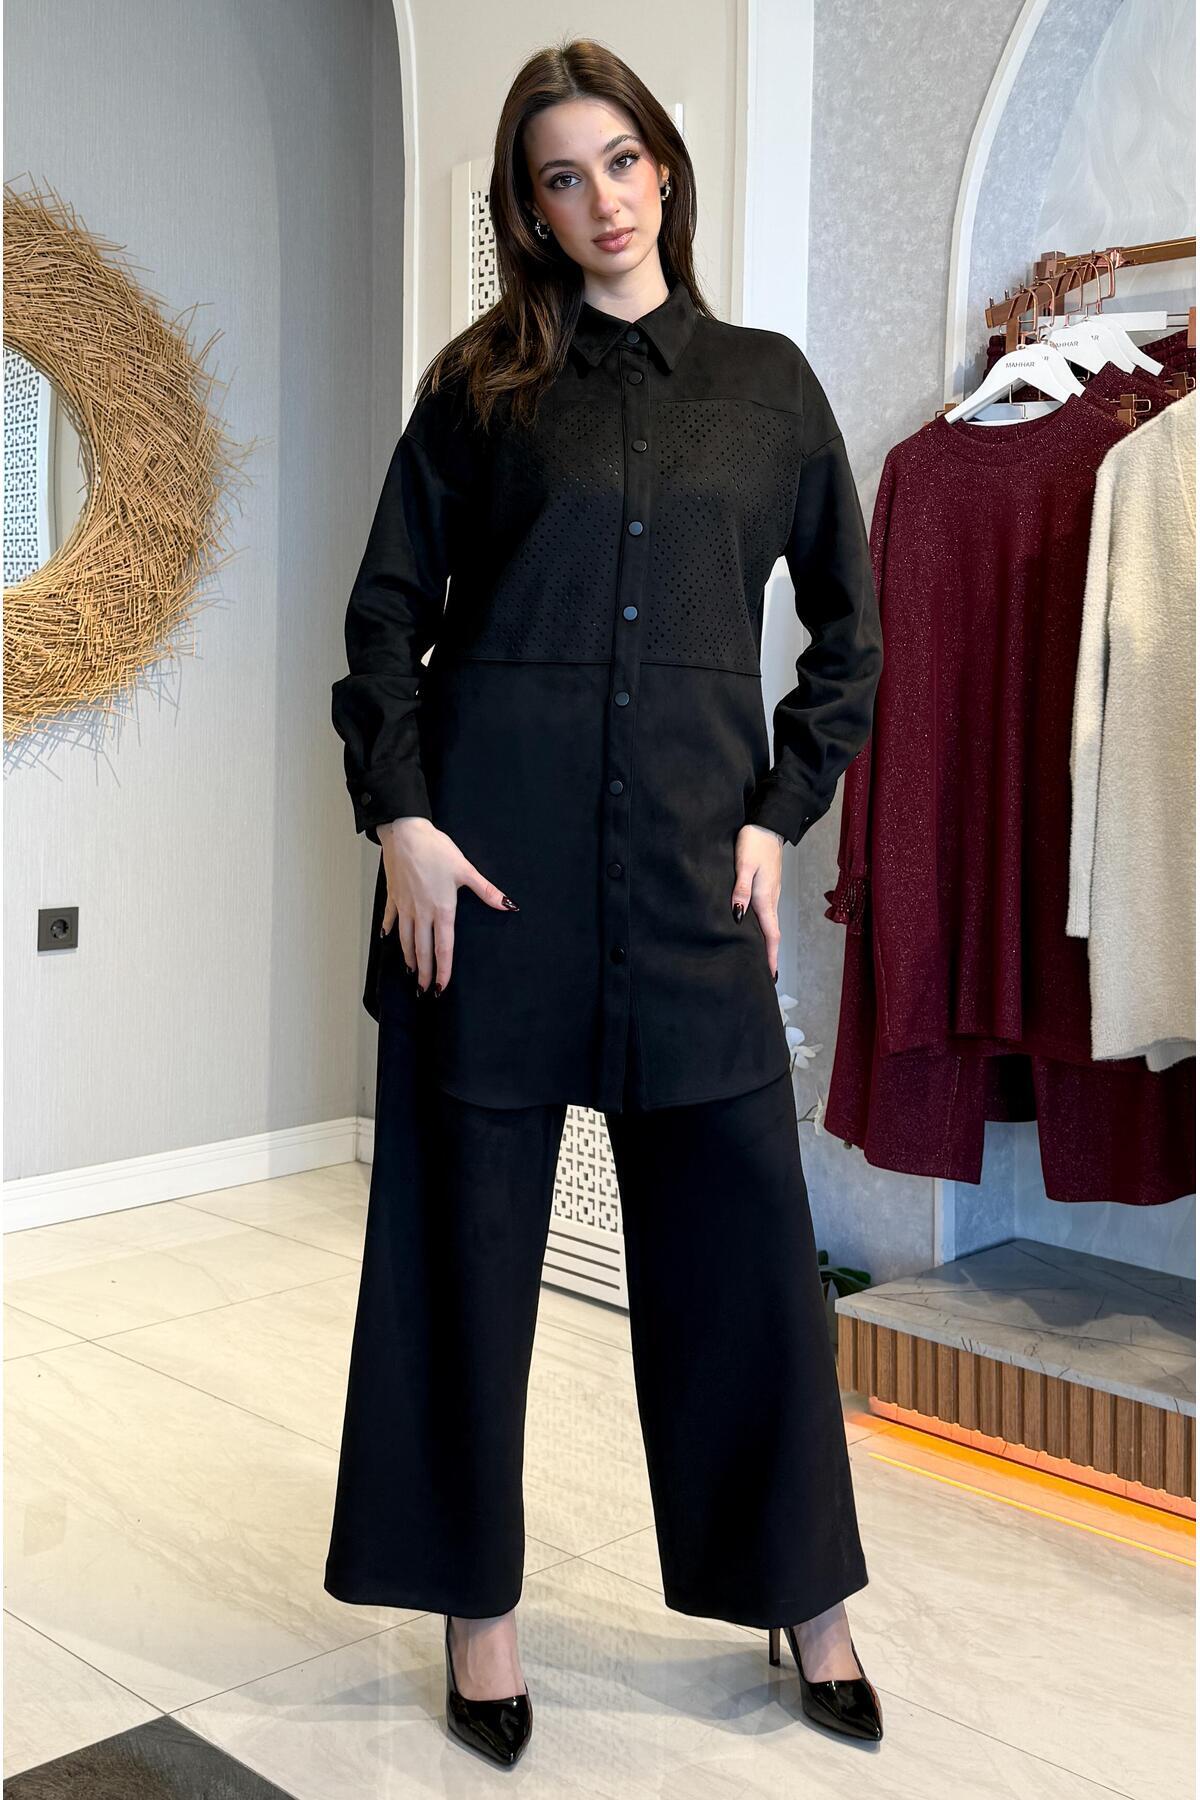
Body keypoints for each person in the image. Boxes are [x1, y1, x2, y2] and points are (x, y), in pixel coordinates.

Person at [324, 36, 885, 1768]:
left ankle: (804, 1596)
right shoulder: (481, 389)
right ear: (531, 208)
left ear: (666, 170)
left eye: (623, 162)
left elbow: (851, 641)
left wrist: (782, 818)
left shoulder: (770, 390)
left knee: (745, 1257)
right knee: (462, 1259)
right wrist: (401, 819)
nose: (603, 201)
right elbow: (384, 620)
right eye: (562, 178)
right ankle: (475, 1614)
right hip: (483, 885)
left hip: (690, 886)